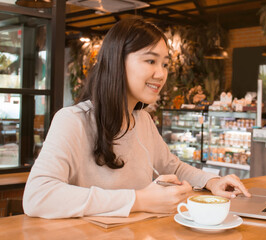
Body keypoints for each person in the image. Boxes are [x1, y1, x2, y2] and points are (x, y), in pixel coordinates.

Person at [23, 18, 250, 219]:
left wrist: (211, 182)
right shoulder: (73, 120)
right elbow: (38, 196)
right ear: (116, 62)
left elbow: (173, 167)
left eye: (165, 64)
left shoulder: (143, 120)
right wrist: (140, 200)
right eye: (150, 61)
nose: (161, 74)